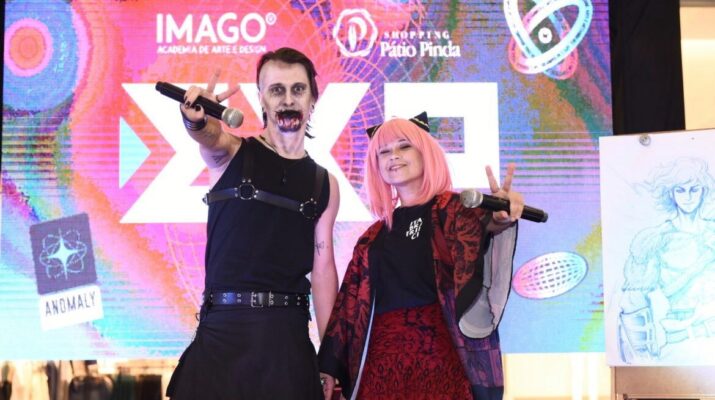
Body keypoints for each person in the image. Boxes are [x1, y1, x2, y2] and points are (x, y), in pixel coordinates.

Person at [166, 47, 340, 399]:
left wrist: (331, 357)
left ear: (313, 98)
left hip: (287, 340)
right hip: (223, 334)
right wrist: (196, 120)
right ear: (261, 98)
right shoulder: (231, 152)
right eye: (277, 90)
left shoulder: (325, 184)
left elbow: (323, 272)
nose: (287, 99)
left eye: (298, 89)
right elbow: (208, 137)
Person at [318, 113, 523, 400]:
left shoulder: (453, 210)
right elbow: (348, 306)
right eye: (384, 152)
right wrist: (328, 366)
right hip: (382, 367)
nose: (394, 156)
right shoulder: (371, 238)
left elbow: (483, 226)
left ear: (425, 152)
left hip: (441, 360)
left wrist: (501, 216)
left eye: (404, 146)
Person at [618, 157, 715, 363]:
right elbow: (633, 301)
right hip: (682, 343)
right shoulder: (655, 240)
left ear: (703, 191)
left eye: (694, 189)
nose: (688, 196)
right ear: (671, 193)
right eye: (680, 190)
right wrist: (642, 360)